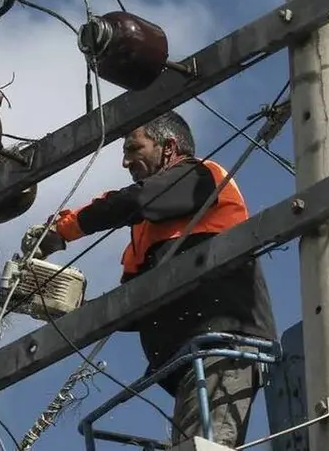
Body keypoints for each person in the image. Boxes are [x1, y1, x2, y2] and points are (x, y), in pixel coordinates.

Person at [22, 110, 277, 447]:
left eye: (134, 149)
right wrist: (75, 305)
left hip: (224, 345)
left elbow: (135, 199)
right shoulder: (150, 229)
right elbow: (137, 306)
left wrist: (64, 229)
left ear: (168, 147)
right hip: (191, 356)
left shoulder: (202, 177)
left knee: (204, 445)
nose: (126, 162)